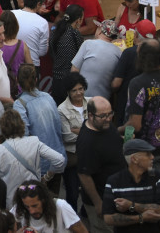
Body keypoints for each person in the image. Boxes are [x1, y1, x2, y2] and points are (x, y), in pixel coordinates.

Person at [120, 39, 160, 178]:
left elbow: (135, 125)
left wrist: (118, 130)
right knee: (156, 184)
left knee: (138, 184)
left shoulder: (138, 83)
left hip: (141, 150)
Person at [0, 109, 66, 207]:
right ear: (22, 124)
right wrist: (47, 177)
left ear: (2, 128)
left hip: (11, 200)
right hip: (35, 196)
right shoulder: (34, 142)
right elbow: (59, 160)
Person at [76, 96, 125, 233]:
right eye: (103, 116)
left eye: (110, 114)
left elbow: (110, 142)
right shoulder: (87, 143)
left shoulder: (104, 125)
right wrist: (98, 203)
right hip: (103, 199)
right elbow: (84, 175)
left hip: (116, 195)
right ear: (91, 115)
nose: (108, 118)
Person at [13, 64, 67, 187]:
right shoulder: (48, 97)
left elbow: (24, 137)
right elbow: (59, 126)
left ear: (17, 80)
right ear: (36, 79)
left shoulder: (19, 104)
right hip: (57, 160)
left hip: (39, 166)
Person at [101, 139, 160, 231]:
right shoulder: (114, 181)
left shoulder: (156, 177)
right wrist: (141, 218)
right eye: (148, 154)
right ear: (134, 159)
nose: (152, 157)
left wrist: (131, 205)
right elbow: (108, 218)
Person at [58, 72, 90, 213]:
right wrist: (90, 130)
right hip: (73, 157)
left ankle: (85, 213)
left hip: (90, 155)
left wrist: (78, 130)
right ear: (68, 92)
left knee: (89, 190)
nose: (78, 93)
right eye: (74, 90)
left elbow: (101, 126)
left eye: (81, 89)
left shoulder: (92, 102)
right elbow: (67, 136)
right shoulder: (62, 109)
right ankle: (71, 218)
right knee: (72, 193)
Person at [11, 181, 87, 233]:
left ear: (44, 200)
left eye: (35, 206)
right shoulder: (19, 208)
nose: (32, 211)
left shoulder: (61, 206)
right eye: (27, 207)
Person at [70, 27, 121, 99]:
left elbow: (74, 70)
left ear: (100, 32)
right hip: (103, 100)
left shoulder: (88, 43)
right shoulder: (118, 52)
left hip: (82, 96)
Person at [50, 5, 86, 104]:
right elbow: (81, 55)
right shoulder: (74, 33)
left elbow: (52, 53)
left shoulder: (55, 30)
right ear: (78, 20)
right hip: (69, 81)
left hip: (56, 80)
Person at [14, 0, 50, 66]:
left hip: (10, 63)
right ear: (38, 4)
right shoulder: (42, 23)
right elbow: (42, 51)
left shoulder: (11, 14)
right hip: (31, 66)